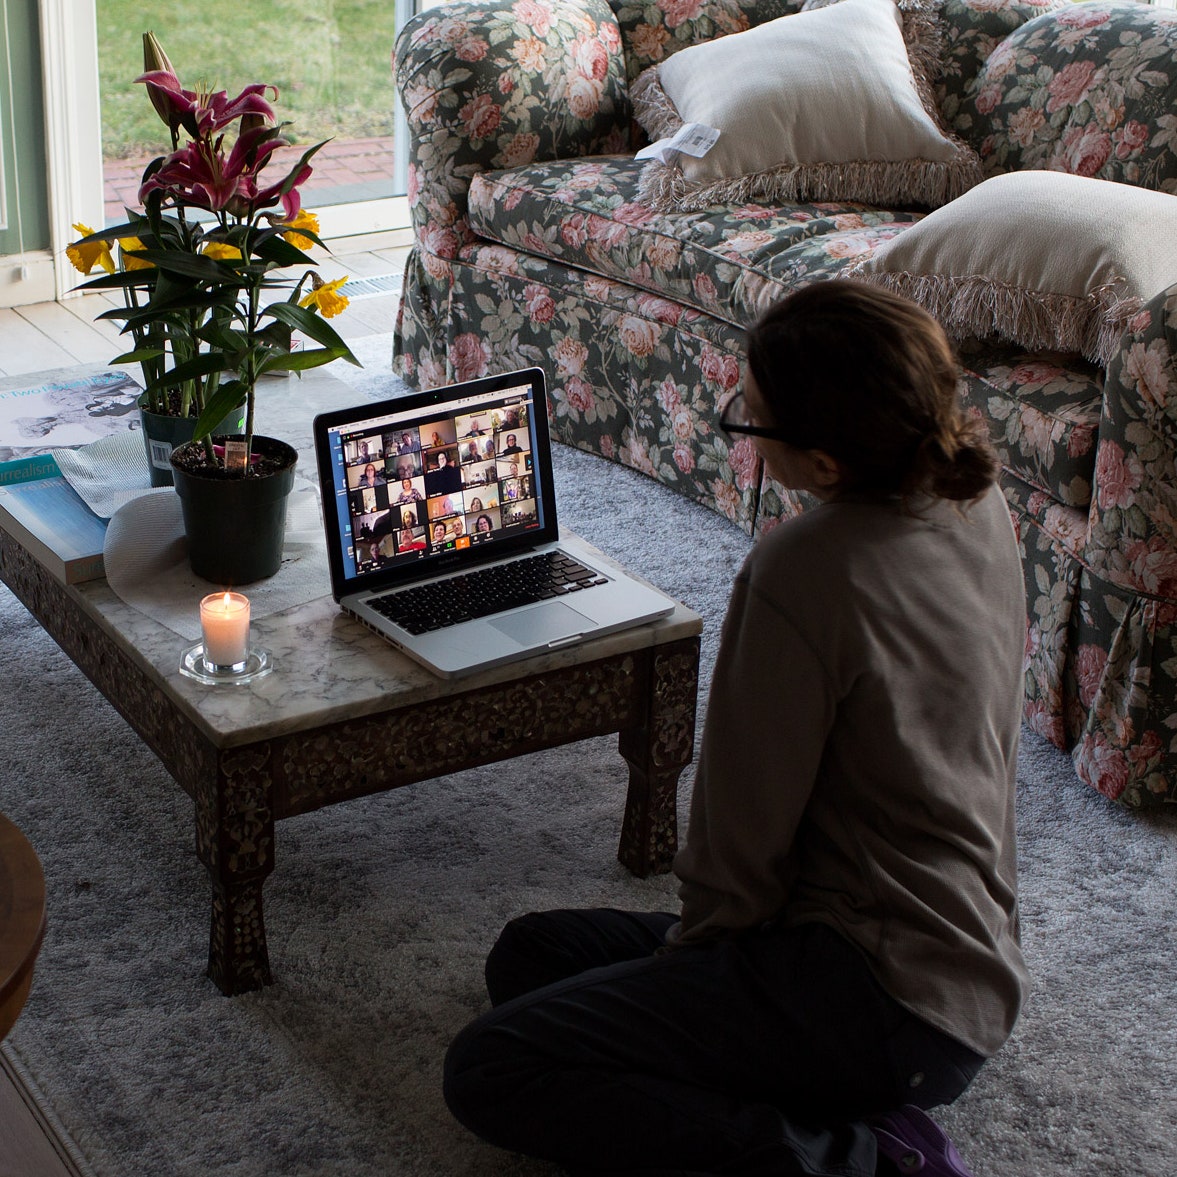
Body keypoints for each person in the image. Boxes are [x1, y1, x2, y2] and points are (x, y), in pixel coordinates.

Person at [442, 280, 1029, 1177]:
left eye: (749, 420)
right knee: (535, 954)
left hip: (872, 989)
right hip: (959, 962)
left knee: (492, 1066)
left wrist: (695, 970)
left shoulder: (804, 569)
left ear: (826, 461)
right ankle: (821, 1092)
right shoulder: (971, 501)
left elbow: (737, 835)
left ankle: (862, 1155)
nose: (740, 423)